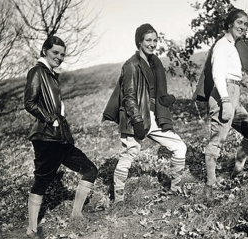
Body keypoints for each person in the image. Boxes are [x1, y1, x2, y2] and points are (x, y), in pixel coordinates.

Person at [103, 23, 187, 205]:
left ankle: (176, 189)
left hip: (153, 116)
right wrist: (138, 121)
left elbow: (153, 91)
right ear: (139, 42)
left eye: (155, 40)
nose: (152, 44)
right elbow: (129, 96)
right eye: (148, 40)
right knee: (128, 155)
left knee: (180, 147)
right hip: (136, 118)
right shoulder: (131, 65)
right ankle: (118, 200)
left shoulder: (155, 63)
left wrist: (164, 99)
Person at [24, 36, 98, 238]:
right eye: (55, 52)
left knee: (90, 170)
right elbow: (29, 102)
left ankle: (76, 216)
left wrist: (59, 123)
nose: (59, 57)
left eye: (62, 54)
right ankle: (31, 229)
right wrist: (50, 119)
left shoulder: (51, 75)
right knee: (41, 182)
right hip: (47, 138)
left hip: (61, 138)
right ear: (45, 50)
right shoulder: (37, 72)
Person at [194, 9, 248, 188]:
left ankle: (238, 169)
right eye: (239, 23)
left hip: (234, 92)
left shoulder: (234, 45)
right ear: (230, 24)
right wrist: (226, 101)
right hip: (224, 93)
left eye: (245, 24)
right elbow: (217, 74)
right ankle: (211, 183)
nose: (243, 27)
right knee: (218, 139)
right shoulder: (222, 45)